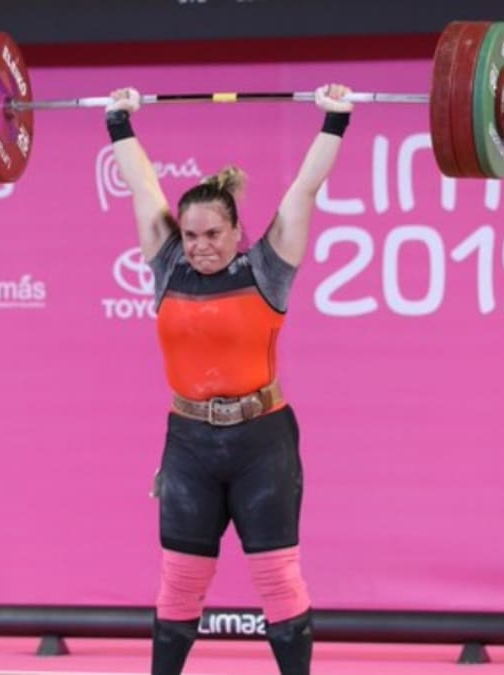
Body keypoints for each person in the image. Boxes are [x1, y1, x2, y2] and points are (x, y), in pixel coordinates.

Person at [105, 82, 353, 675]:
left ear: (236, 229)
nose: (199, 246)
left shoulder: (267, 265)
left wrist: (336, 119)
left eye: (212, 234)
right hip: (189, 443)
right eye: (190, 235)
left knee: (278, 579)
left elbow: (305, 188)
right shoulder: (167, 266)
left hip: (261, 440)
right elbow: (143, 186)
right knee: (180, 585)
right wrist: (119, 122)